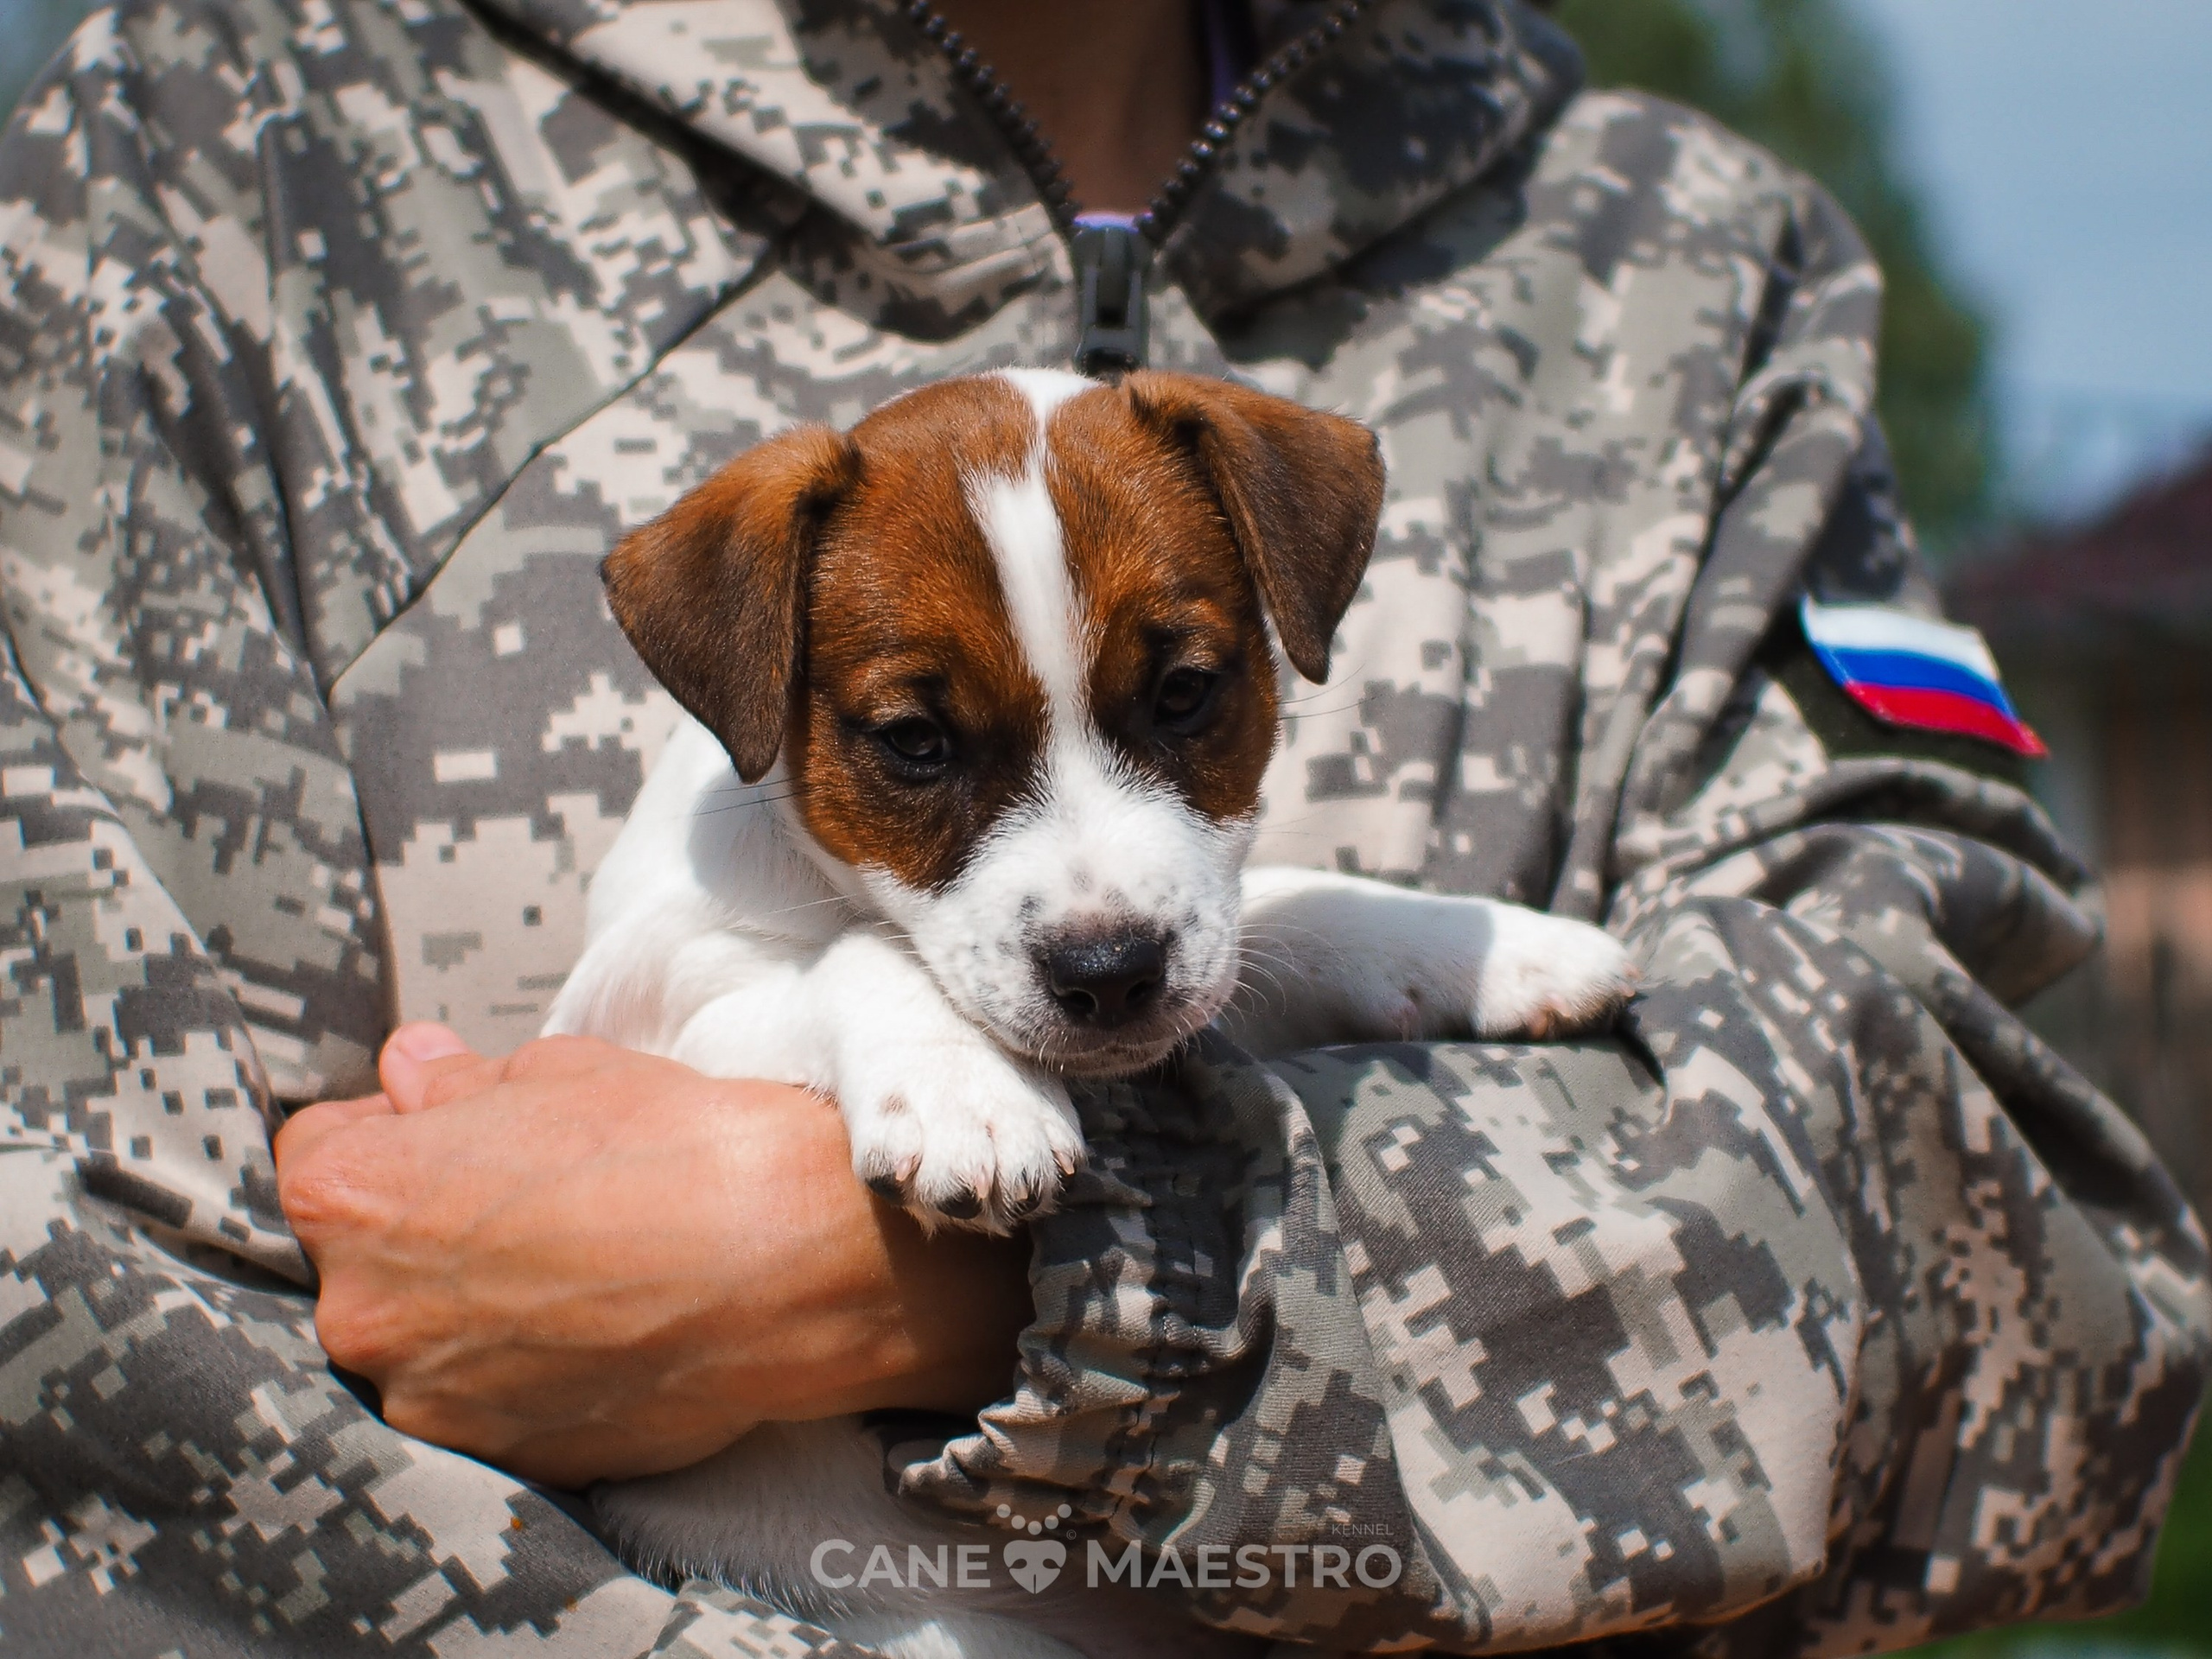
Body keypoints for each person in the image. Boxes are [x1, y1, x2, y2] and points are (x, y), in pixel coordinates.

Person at [0, 0, 2203, 1651]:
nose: (1098, 897)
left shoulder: (1698, 286)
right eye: (921, 747)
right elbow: (83, 1369)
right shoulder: (224, 158)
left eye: (1179, 708)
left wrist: (969, 1286)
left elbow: (2011, 1243)